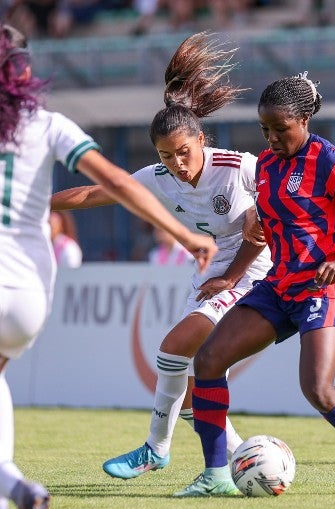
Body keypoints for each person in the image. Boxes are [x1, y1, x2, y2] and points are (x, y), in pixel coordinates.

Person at [0, 16, 216, 509]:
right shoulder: (47, 124)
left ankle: (19, 491)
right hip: (29, 291)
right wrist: (184, 234)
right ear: (25, 72)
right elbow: (112, 181)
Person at [173, 71, 335, 497]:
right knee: (208, 361)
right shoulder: (264, 166)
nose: (272, 138)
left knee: (318, 389)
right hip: (278, 285)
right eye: (265, 129)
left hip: (324, 286)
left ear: (304, 120)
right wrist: (233, 271)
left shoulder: (329, 159)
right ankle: (215, 476)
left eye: (280, 129)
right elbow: (263, 228)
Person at [51, 32, 271, 481]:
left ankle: (155, 449)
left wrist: (232, 275)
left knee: (173, 348)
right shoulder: (157, 176)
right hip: (210, 275)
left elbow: (262, 231)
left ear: (202, 139)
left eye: (184, 152)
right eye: (167, 156)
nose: (178, 164)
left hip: (250, 275)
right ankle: (240, 458)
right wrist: (36, 201)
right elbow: (96, 192)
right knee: (188, 391)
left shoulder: (238, 168)